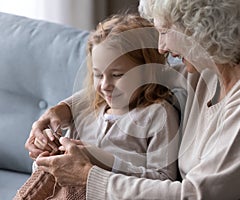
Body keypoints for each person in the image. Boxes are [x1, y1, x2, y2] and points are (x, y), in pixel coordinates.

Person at [26, 0, 240, 199]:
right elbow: (132, 80)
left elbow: (198, 196)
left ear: (199, 28)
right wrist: (61, 111)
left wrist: (87, 176)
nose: (161, 48)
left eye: (166, 32)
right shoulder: (206, 70)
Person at [22, 14, 181, 198]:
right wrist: (47, 155)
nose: (105, 85)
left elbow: (163, 181)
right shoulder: (85, 110)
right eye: (98, 75)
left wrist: (102, 161)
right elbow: (50, 179)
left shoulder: (158, 115)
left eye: (117, 75)